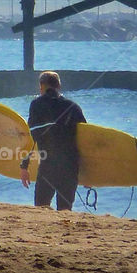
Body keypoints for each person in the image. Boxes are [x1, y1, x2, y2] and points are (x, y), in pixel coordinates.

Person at [19, 71, 86, 211]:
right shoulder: (73, 107)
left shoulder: (36, 105)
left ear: (41, 87)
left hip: (48, 166)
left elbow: (32, 138)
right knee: (65, 210)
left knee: (41, 208)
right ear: (59, 86)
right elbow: (85, 140)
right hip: (70, 167)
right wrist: (89, 174)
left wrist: (24, 166)